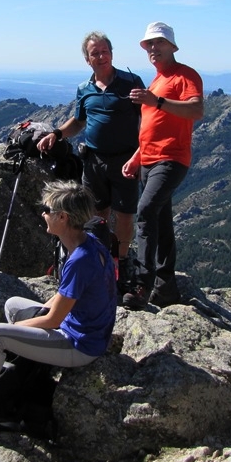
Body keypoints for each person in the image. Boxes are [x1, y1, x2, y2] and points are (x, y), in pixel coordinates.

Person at [0, 181, 116, 432]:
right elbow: (63, 298)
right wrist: (27, 323)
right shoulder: (89, 242)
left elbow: (53, 321)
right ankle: (24, 370)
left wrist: (17, 329)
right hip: (86, 330)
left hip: (80, 344)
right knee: (13, 305)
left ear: (63, 217)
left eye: (47, 210)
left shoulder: (80, 260)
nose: (43, 213)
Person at [36, 31, 144, 294]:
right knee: (97, 214)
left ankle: (123, 263)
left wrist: (141, 153)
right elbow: (79, 121)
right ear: (88, 59)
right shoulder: (85, 89)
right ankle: (99, 259)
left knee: (126, 215)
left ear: (112, 53)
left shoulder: (131, 82)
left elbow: (148, 118)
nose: (101, 56)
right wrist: (57, 133)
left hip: (126, 159)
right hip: (94, 160)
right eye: (95, 53)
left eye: (104, 51)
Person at [121, 22, 204, 309]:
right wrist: (136, 157)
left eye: (158, 43)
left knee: (145, 212)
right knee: (161, 221)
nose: (152, 49)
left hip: (171, 158)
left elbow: (196, 110)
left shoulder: (185, 76)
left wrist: (156, 101)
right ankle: (166, 287)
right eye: (148, 45)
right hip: (149, 160)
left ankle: (143, 283)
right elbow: (151, 128)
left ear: (172, 46)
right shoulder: (155, 81)